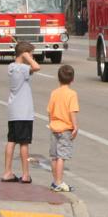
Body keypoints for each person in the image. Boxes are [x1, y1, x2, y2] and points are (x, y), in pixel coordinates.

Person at [2, 41, 40, 183]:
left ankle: (7, 171)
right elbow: (36, 67)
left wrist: (26, 56)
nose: (32, 57)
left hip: (13, 111)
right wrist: (28, 57)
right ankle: (25, 174)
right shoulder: (23, 68)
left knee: (11, 140)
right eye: (31, 55)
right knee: (24, 143)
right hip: (24, 111)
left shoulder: (11, 67)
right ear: (24, 54)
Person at [46, 64, 79, 193]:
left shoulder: (54, 93)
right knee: (61, 156)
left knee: (54, 156)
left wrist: (51, 123)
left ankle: (55, 181)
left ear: (58, 79)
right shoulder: (72, 94)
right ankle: (59, 182)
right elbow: (72, 112)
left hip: (54, 127)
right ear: (72, 79)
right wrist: (75, 126)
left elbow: (49, 111)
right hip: (65, 128)